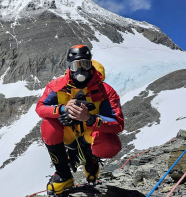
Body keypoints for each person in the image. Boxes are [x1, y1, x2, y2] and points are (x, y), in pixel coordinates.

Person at [35, 44, 124, 195]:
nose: (81, 69)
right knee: (48, 126)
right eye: (76, 65)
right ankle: (63, 175)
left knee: (111, 144)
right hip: (69, 134)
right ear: (69, 67)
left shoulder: (105, 91)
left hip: (91, 134)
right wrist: (62, 109)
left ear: (91, 64)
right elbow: (40, 108)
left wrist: (90, 119)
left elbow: (117, 124)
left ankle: (91, 159)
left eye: (85, 64)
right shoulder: (57, 86)